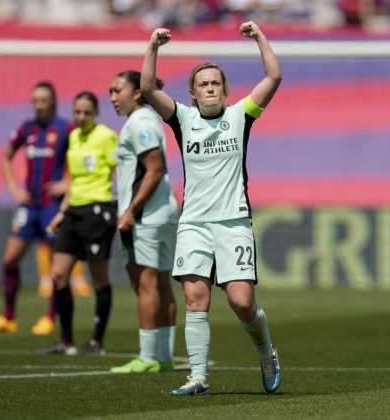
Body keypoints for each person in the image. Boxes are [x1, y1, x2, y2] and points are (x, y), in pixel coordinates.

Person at [140, 21, 282, 395]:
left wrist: (258, 38)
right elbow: (145, 88)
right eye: (203, 84)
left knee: (241, 301)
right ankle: (198, 376)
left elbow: (274, 76)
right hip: (194, 224)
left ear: (224, 90)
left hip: (233, 221)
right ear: (193, 92)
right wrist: (153, 45)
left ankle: (266, 352)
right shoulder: (183, 120)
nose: (209, 89)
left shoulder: (240, 116)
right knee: (194, 299)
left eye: (215, 83)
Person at [0, 81, 74, 336]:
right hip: (28, 206)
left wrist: (67, 183)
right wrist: (13, 188)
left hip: (52, 206)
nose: (39, 105)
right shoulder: (26, 128)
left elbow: (82, 158)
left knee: (57, 266)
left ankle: (50, 317)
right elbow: (6, 156)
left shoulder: (65, 128)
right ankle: (8, 317)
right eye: (36, 101)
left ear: (53, 101)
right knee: (9, 259)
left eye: (44, 100)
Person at [108, 70, 178, 373]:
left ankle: (147, 358)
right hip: (162, 213)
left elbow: (154, 168)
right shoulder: (149, 120)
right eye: (110, 91)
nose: (112, 97)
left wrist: (130, 210)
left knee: (146, 284)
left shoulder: (139, 123)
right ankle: (163, 356)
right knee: (162, 284)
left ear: (137, 93)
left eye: (117, 90)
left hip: (145, 217)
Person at [42, 91, 118, 355]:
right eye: (77, 112)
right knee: (59, 274)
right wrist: (62, 212)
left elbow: (119, 168)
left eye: (87, 112)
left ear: (96, 113)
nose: (81, 117)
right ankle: (67, 341)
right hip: (73, 211)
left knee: (99, 279)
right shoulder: (73, 136)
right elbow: (73, 179)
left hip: (97, 211)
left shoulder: (106, 136)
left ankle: (97, 341)